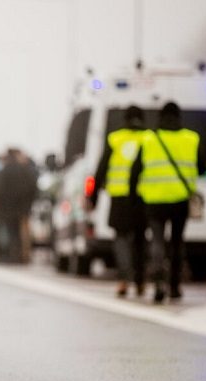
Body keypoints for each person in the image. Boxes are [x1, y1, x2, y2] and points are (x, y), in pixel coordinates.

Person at [132, 102, 206, 302]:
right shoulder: (191, 138)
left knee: (157, 240)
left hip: (154, 200)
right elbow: (202, 167)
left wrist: (134, 196)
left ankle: (158, 280)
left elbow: (135, 170)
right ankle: (174, 286)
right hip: (180, 200)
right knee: (177, 242)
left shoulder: (149, 139)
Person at [89, 106, 147, 298]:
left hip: (119, 197)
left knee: (121, 239)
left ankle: (123, 279)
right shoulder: (148, 138)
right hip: (142, 197)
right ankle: (140, 281)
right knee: (140, 240)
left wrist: (93, 198)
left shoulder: (115, 138)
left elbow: (101, 169)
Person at [0, 148, 37, 264]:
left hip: (8, 208)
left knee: (12, 232)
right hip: (23, 207)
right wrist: (28, 202)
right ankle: (23, 256)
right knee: (22, 232)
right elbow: (33, 187)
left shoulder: (5, 170)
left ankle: (13, 255)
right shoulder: (25, 169)